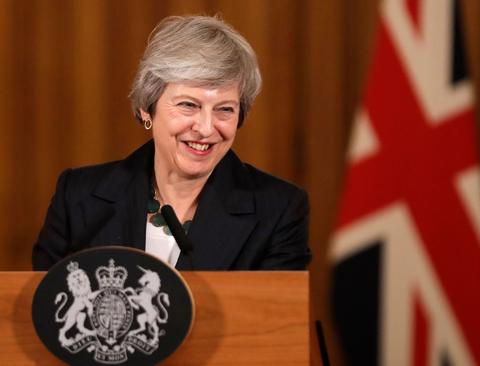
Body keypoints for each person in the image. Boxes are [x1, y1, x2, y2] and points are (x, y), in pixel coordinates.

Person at [32, 15, 311, 271]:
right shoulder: (79, 197)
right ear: (146, 108)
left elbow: (275, 318)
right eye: (189, 105)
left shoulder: (278, 209)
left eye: (225, 109)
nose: (205, 127)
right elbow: (46, 310)